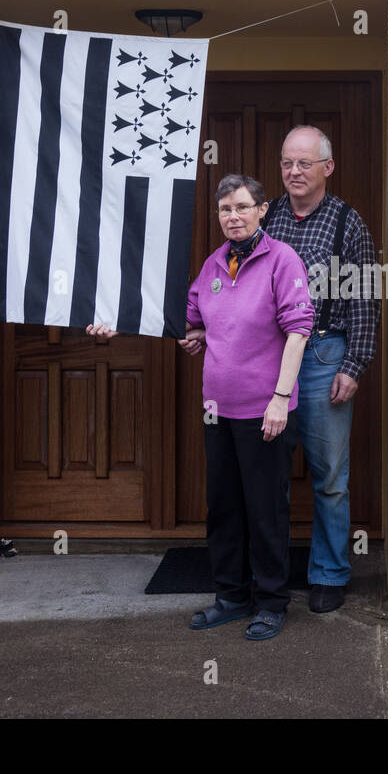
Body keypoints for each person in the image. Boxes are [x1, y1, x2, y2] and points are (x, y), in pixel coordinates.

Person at [88, 173, 313, 641]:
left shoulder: (282, 260)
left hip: (264, 412)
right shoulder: (213, 265)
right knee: (224, 507)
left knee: (265, 509)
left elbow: (298, 331)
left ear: (262, 209)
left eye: (242, 207)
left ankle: (271, 602)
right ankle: (231, 596)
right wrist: (116, 323)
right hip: (218, 411)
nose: (233, 216)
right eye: (225, 209)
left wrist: (278, 399)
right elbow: (179, 321)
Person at [263, 125, 378, 613]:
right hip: (269, 356)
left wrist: (353, 365)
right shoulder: (265, 218)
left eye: (304, 163)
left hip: (325, 354)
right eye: (288, 162)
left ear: (327, 168)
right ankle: (269, 574)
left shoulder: (348, 224)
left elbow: (366, 301)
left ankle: (329, 573)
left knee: (329, 475)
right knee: (268, 472)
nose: (293, 172)